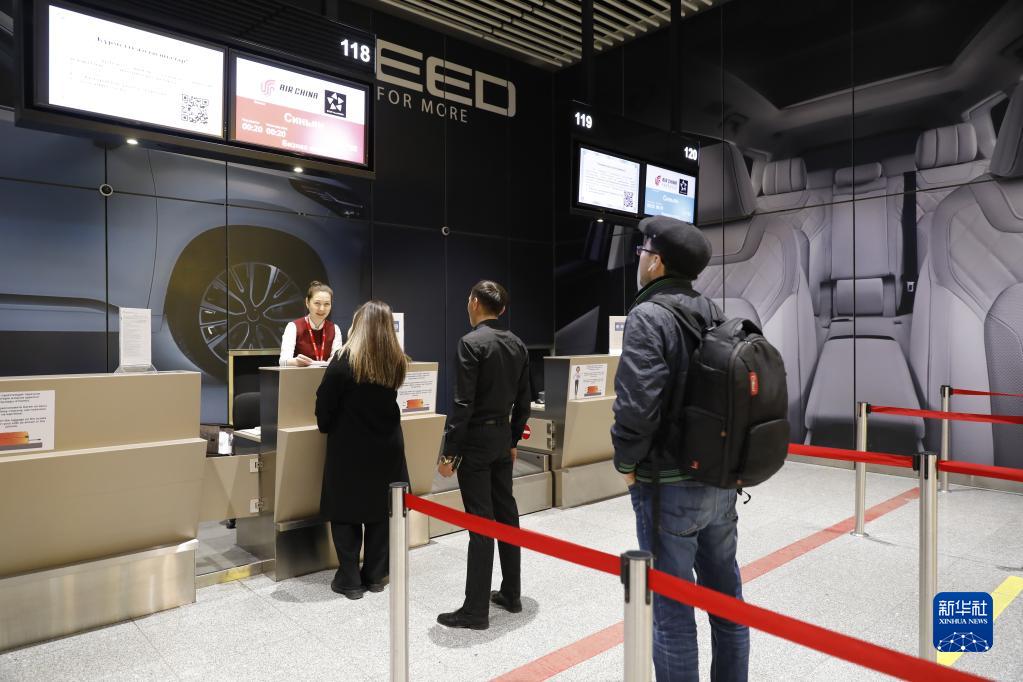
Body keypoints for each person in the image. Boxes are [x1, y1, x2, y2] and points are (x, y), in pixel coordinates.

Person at [612, 216, 749, 681]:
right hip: (719, 481)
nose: (639, 261)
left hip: (667, 486)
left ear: (657, 263)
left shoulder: (647, 316)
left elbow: (637, 405)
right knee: (727, 604)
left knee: (671, 617)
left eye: (642, 253)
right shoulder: (715, 313)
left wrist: (626, 461)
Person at [436, 281, 531, 630]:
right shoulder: (518, 344)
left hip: (476, 441)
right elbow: (524, 400)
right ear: (501, 309)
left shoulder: (470, 343)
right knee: (507, 515)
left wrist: (450, 452)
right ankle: (511, 593)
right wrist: (514, 437)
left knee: (480, 524)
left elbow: (463, 404)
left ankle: (475, 611)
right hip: (502, 437)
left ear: (474, 302)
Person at [315, 300, 409, 600]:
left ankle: (350, 580)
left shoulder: (344, 360)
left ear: (359, 326)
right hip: (388, 446)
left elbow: (324, 405)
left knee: (345, 512)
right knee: (381, 511)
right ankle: (375, 575)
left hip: (349, 448)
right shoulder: (396, 361)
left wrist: (327, 425)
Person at [280, 281, 344, 367]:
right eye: (317, 303)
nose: (322, 309)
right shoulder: (293, 327)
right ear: (307, 302)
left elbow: (336, 361)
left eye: (327, 304)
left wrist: (333, 361)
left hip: (326, 375)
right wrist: (295, 362)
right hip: (300, 374)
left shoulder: (334, 329)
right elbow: (283, 361)